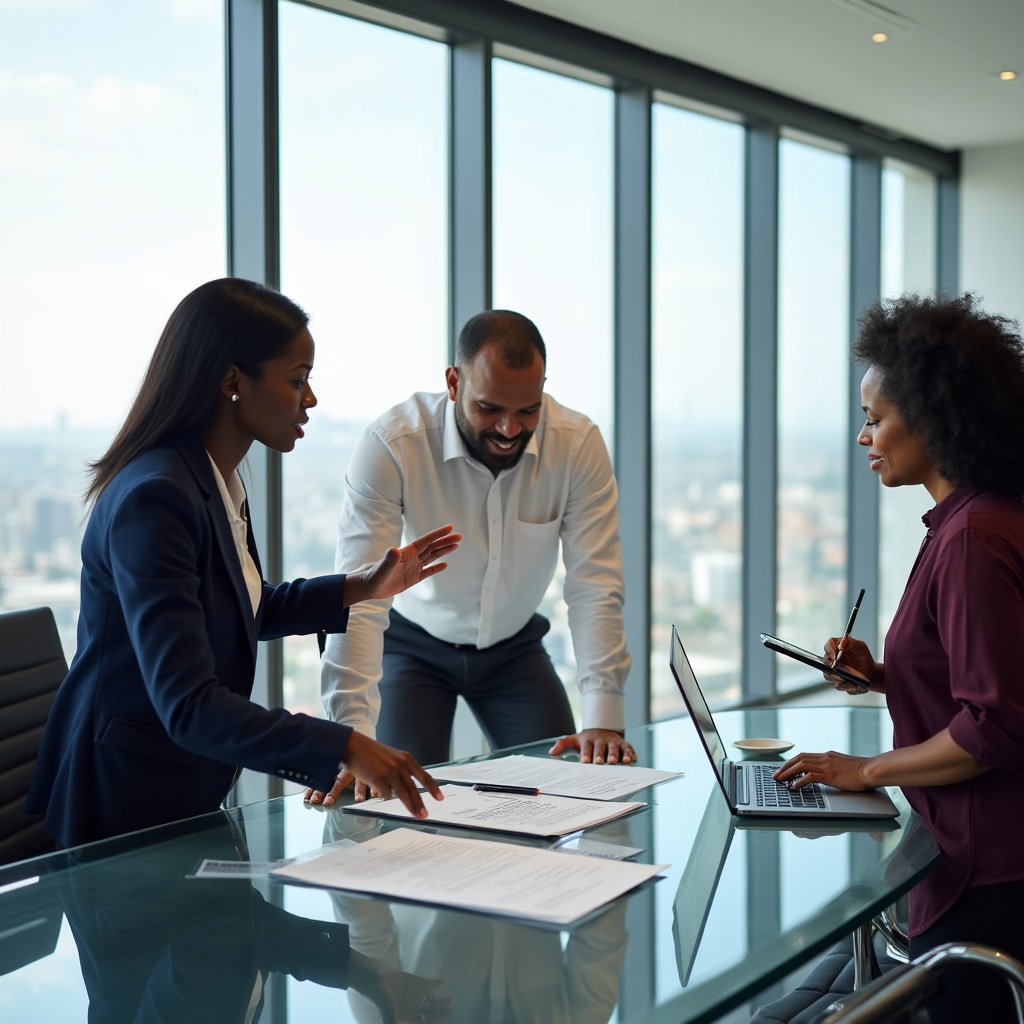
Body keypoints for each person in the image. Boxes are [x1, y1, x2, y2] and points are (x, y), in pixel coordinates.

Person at [25, 277, 456, 848]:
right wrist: (346, 745)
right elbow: (190, 705)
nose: (311, 399)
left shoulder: (214, 477)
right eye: (297, 379)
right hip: (122, 808)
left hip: (181, 791)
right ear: (233, 382)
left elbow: (242, 605)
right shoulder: (156, 498)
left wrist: (365, 586)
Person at [774, 293, 1024, 1023]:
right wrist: (884, 675)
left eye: (874, 418)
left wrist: (862, 771)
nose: (863, 436)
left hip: (985, 870)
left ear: (934, 418)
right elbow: (985, 675)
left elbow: (997, 726)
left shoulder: (973, 538)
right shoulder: (979, 517)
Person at [310, 309, 633, 806]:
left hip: (514, 650)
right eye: (489, 408)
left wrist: (604, 719)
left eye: (528, 410)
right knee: (394, 803)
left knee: (568, 797)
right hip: (413, 648)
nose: (509, 428)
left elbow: (594, 584)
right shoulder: (392, 445)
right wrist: (351, 737)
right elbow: (359, 599)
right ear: (453, 382)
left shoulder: (577, 444)